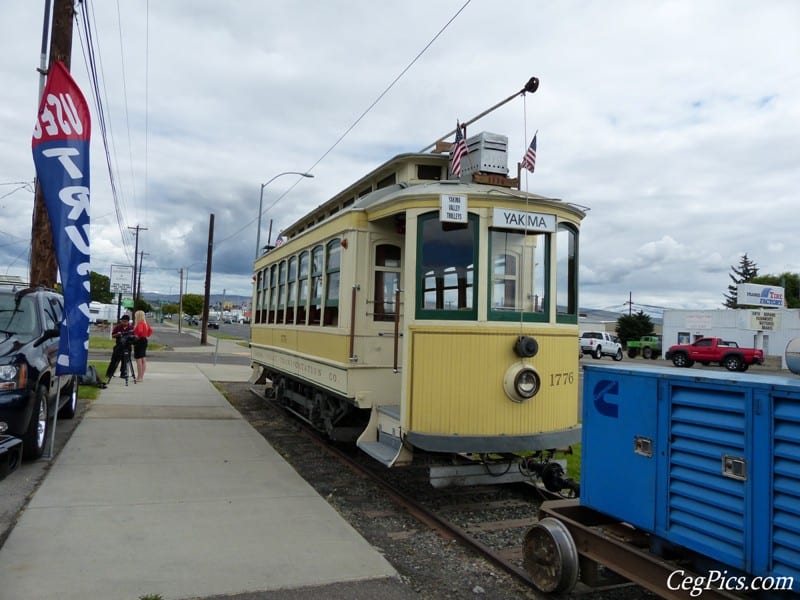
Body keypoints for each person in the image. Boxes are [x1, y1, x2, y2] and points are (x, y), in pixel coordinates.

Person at [105, 314, 134, 382]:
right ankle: (109, 373)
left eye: (125, 321)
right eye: (122, 321)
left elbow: (133, 337)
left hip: (127, 346)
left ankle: (123, 373)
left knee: (125, 361)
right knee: (114, 360)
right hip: (119, 346)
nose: (124, 323)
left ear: (128, 321)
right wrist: (118, 334)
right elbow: (113, 335)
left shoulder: (131, 328)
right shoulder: (118, 327)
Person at [132, 310, 153, 382]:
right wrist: (146, 335)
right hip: (144, 340)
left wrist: (137, 336)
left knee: (138, 359)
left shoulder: (140, 323)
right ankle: (141, 377)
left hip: (139, 341)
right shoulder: (145, 323)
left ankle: (139, 377)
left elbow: (140, 331)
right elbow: (150, 331)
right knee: (143, 358)